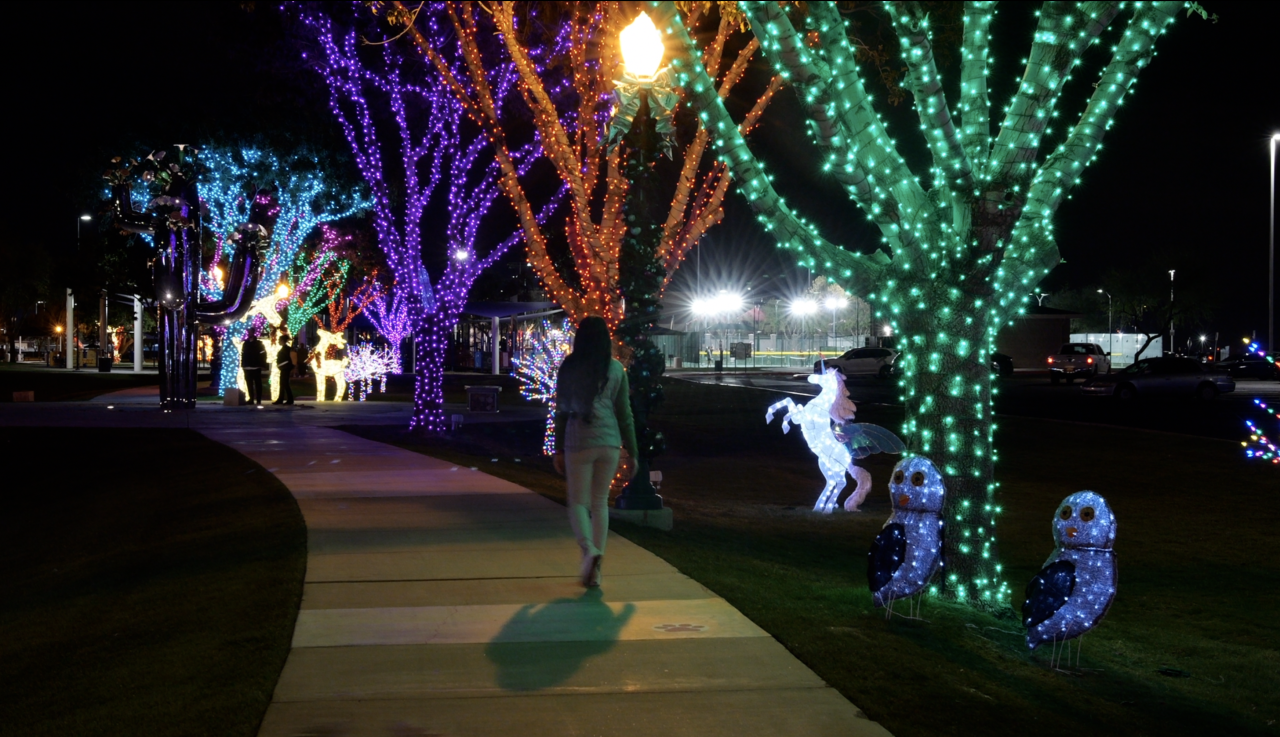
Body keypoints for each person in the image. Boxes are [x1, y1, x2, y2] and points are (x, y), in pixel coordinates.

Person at [552, 317, 639, 588]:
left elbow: (562, 410)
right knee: (600, 503)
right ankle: (596, 572)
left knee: (578, 502)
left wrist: (557, 447)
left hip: (579, 441)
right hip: (609, 442)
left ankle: (589, 549)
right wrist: (633, 451)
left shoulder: (570, 367)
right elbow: (625, 414)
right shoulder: (616, 369)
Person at [241, 331, 268, 406]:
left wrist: (262, 364)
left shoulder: (259, 343)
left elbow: (263, 354)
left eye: (251, 332)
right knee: (249, 384)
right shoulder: (245, 343)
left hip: (256, 366)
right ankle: (251, 399)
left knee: (258, 384)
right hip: (247, 366)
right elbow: (243, 354)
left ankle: (258, 399)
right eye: (249, 333)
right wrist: (243, 364)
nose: (250, 334)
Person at [273, 335, 295, 405]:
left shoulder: (287, 349)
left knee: (285, 384)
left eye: (279, 340)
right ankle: (281, 398)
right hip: (283, 368)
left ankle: (289, 399)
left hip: (285, 368)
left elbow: (289, 359)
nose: (278, 341)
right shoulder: (285, 348)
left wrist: (285, 365)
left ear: (282, 341)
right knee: (282, 384)